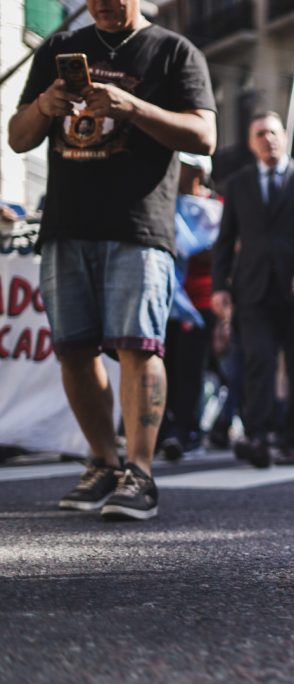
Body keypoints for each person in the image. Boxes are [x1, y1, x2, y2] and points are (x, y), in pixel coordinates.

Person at [8, 0, 216, 520]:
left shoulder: (174, 51)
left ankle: (139, 473)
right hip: (66, 224)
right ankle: (104, 461)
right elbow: (17, 136)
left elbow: (204, 137)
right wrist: (46, 106)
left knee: (137, 346)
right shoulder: (59, 48)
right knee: (73, 350)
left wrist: (131, 107)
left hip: (139, 226)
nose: (100, 4)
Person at [212, 112, 294, 469]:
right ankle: (259, 436)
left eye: (273, 132)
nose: (268, 139)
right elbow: (225, 239)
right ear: (251, 143)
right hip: (253, 291)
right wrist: (220, 285)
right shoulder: (238, 184)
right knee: (258, 362)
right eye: (260, 134)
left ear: (285, 136)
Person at [159, 152, 222, 461]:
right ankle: (166, 431)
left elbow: (222, 253)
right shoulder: (166, 203)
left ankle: (188, 430)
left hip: (202, 301)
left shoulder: (217, 205)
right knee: (166, 366)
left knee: (193, 369)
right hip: (169, 301)